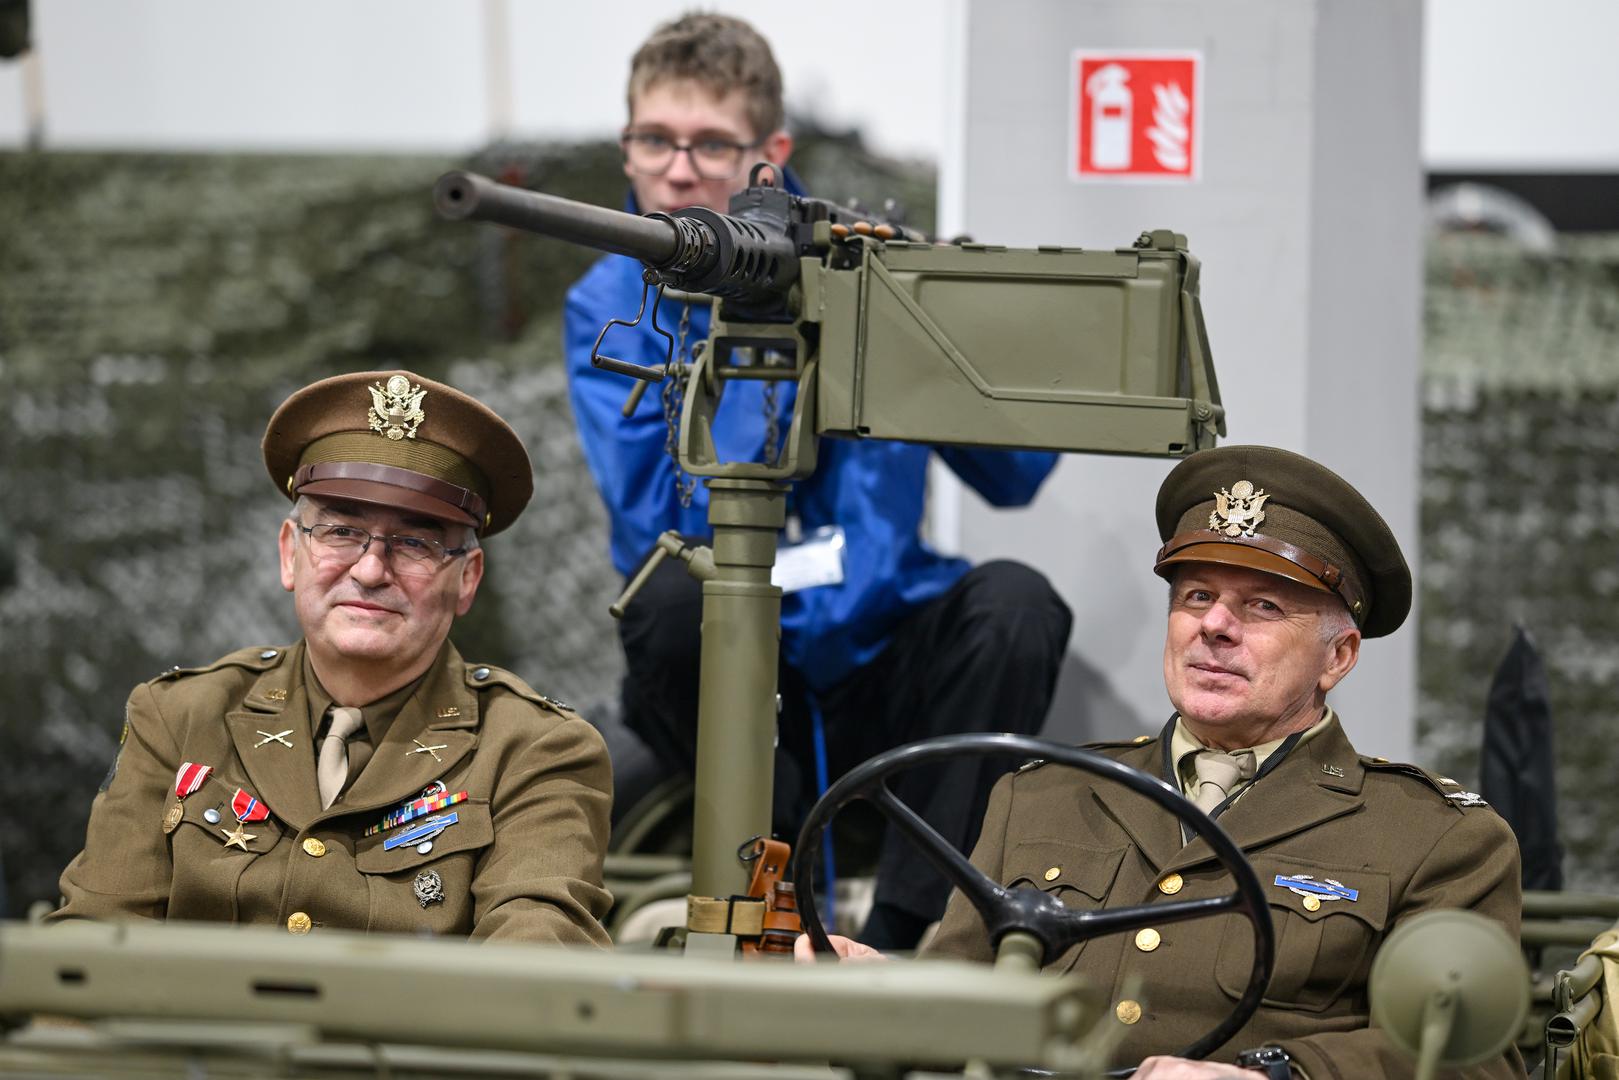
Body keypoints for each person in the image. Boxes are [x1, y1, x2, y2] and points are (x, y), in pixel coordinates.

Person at [563, 11, 1072, 949]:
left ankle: (906, 936)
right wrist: (776, 340)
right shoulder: (608, 301)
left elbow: (1014, 474)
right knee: (668, 605)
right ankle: (777, 907)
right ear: (627, 146)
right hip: (730, 654)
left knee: (1015, 606)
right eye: (654, 140)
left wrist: (934, 325)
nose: (678, 171)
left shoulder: (870, 265)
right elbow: (653, 521)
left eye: (712, 143)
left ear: (772, 151)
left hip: (881, 649)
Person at [802, 445, 1526, 1079]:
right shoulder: (1041, 795)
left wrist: (1277, 1077)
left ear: (1337, 657)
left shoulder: (1435, 839)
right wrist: (880, 991)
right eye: (1197, 596)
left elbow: (1476, 1063)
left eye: (1263, 607)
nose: (1214, 625)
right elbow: (954, 1023)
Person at [49, 370, 613, 945]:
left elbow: (533, 964)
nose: (369, 570)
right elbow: (93, 944)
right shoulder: (179, 716)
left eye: (415, 543)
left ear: (466, 579)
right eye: (341, 531)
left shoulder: (535, 749)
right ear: (289, 554)